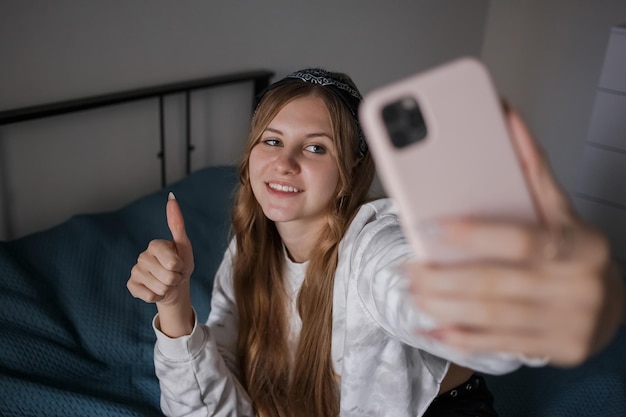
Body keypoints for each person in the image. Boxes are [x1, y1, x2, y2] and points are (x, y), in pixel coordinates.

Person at [127, 68, 624, 417]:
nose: (285, 162)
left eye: (316, 147)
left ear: (348, 175)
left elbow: (423, 296)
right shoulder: (250, 250)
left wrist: (534, 306)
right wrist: (173, 306)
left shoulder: (374, 247)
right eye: (272, 140)